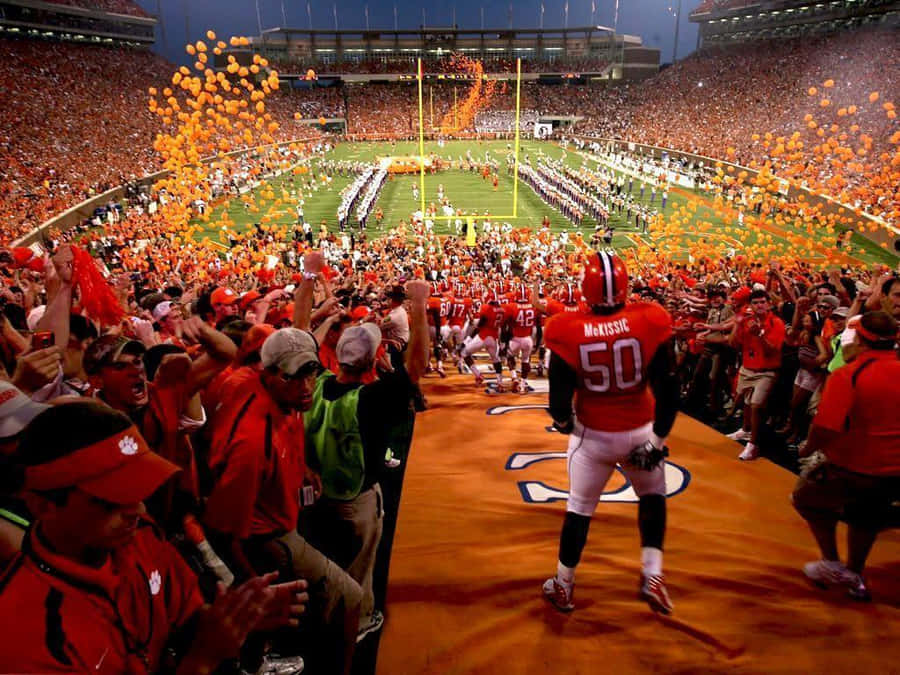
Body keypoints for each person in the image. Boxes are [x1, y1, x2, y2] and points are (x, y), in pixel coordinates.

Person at [0, 401, 307, 674]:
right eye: (112, 499)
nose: (136, 509)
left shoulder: (139, 535)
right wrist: (201, 660)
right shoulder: (23, 637)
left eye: (138, 487)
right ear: (44, 506)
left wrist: (237, 623)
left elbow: (187, 614)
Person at [203, 327, 362, 675]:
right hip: (266, 535)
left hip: (278, 511)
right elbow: (226, 529)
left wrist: (302, 466)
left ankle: (255, 660)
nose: (306, 387)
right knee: (351, 599)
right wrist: (253, 586)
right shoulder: (251, 445)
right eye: (294, 377)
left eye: (311, 372)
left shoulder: (265, 386)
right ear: (270, 373)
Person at [541, 251, 680, 615]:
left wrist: (567, 425)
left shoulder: (565, 328)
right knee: (652, 498)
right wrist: (657, 442)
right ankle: (653, 575)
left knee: (579, 510)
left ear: (585, 288)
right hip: (641, 429)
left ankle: (564, 584)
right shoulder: (649, 318)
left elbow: (557, 404)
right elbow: (669, 389)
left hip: (595, 436)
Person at [303, 279, 428, 643]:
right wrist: (419, 307)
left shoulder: (316, 384)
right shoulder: (372, 398)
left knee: (327, 559)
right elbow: (417, 364)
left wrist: (315, 299)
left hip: (318, 492)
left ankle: (324, 616)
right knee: (359, 565)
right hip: (357, 497)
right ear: (375, 358)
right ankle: (356, 623)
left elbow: (302, 337)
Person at [792, 311, 900, 601]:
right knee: (865, 517)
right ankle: (854, 571)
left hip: (854, 464)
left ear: (859, 339)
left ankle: (832, 562)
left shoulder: (850, 374)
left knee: (807, 499)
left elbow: (825, 426)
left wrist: (807, 449)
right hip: (892, 470)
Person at [726, 289, 786, 460]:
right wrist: (737, 325)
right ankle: (745, 430)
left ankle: (753, 445)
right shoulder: (747, 321)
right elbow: (733, 344)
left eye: (762, 302)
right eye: (756, 302)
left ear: (769, 304)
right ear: (751, 305)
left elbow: (773, 350)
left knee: (756, 406)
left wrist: (758, 334)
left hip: (766, 371)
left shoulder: (776, 323)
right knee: (744, 403)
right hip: (747, 368)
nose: (759, 305)